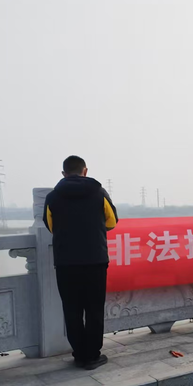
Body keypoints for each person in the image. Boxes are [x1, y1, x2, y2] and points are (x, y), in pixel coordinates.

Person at [43, 155, 118, 370]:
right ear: (85, 171)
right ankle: (92, 356)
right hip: (95, 260)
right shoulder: (99, 192)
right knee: (94, 309)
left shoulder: (52, 197)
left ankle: (79, 354)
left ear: (64, 173)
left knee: (72, 309)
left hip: (66, 263)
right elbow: (112, 222)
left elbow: (50, 225)